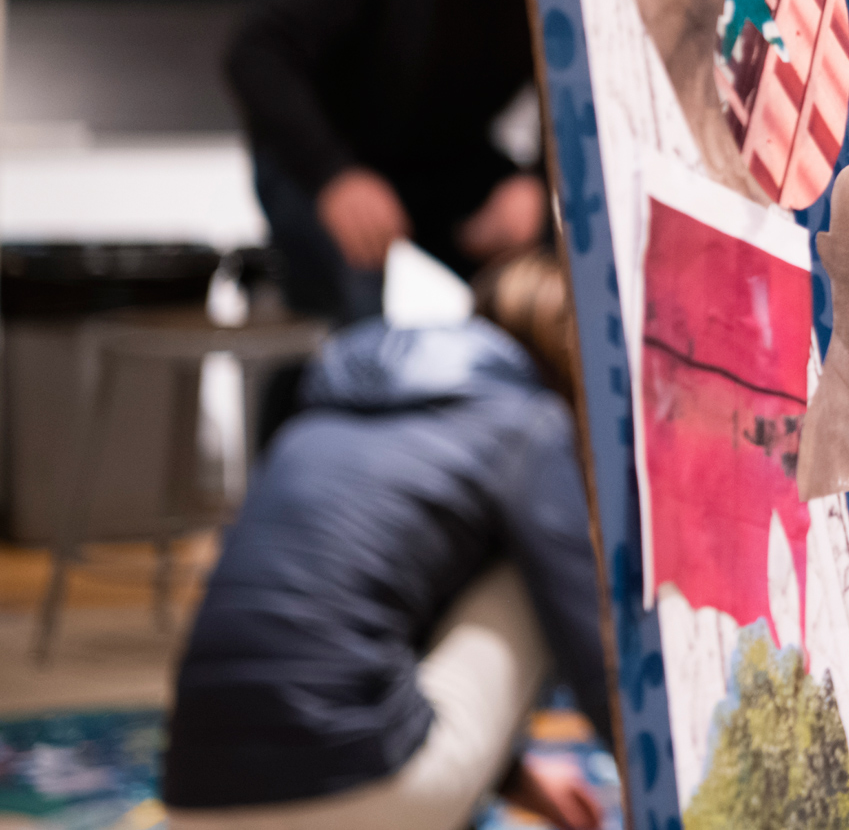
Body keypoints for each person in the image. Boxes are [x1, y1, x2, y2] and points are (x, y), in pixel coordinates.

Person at [161, 248, 609, 830]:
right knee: (532, 564)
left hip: (194, 797)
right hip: (359, 789)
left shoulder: (316, 422)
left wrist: (508, 774)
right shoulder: (528, 425)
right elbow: (599, 655)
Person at [225, 0, 543, 321]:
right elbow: (257, 52)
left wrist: (535, 186)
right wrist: (335, 176)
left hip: (439, 156)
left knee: (548, 283)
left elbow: (575, 93)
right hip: (322, 151)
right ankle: (308, 388)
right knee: (357, 310)